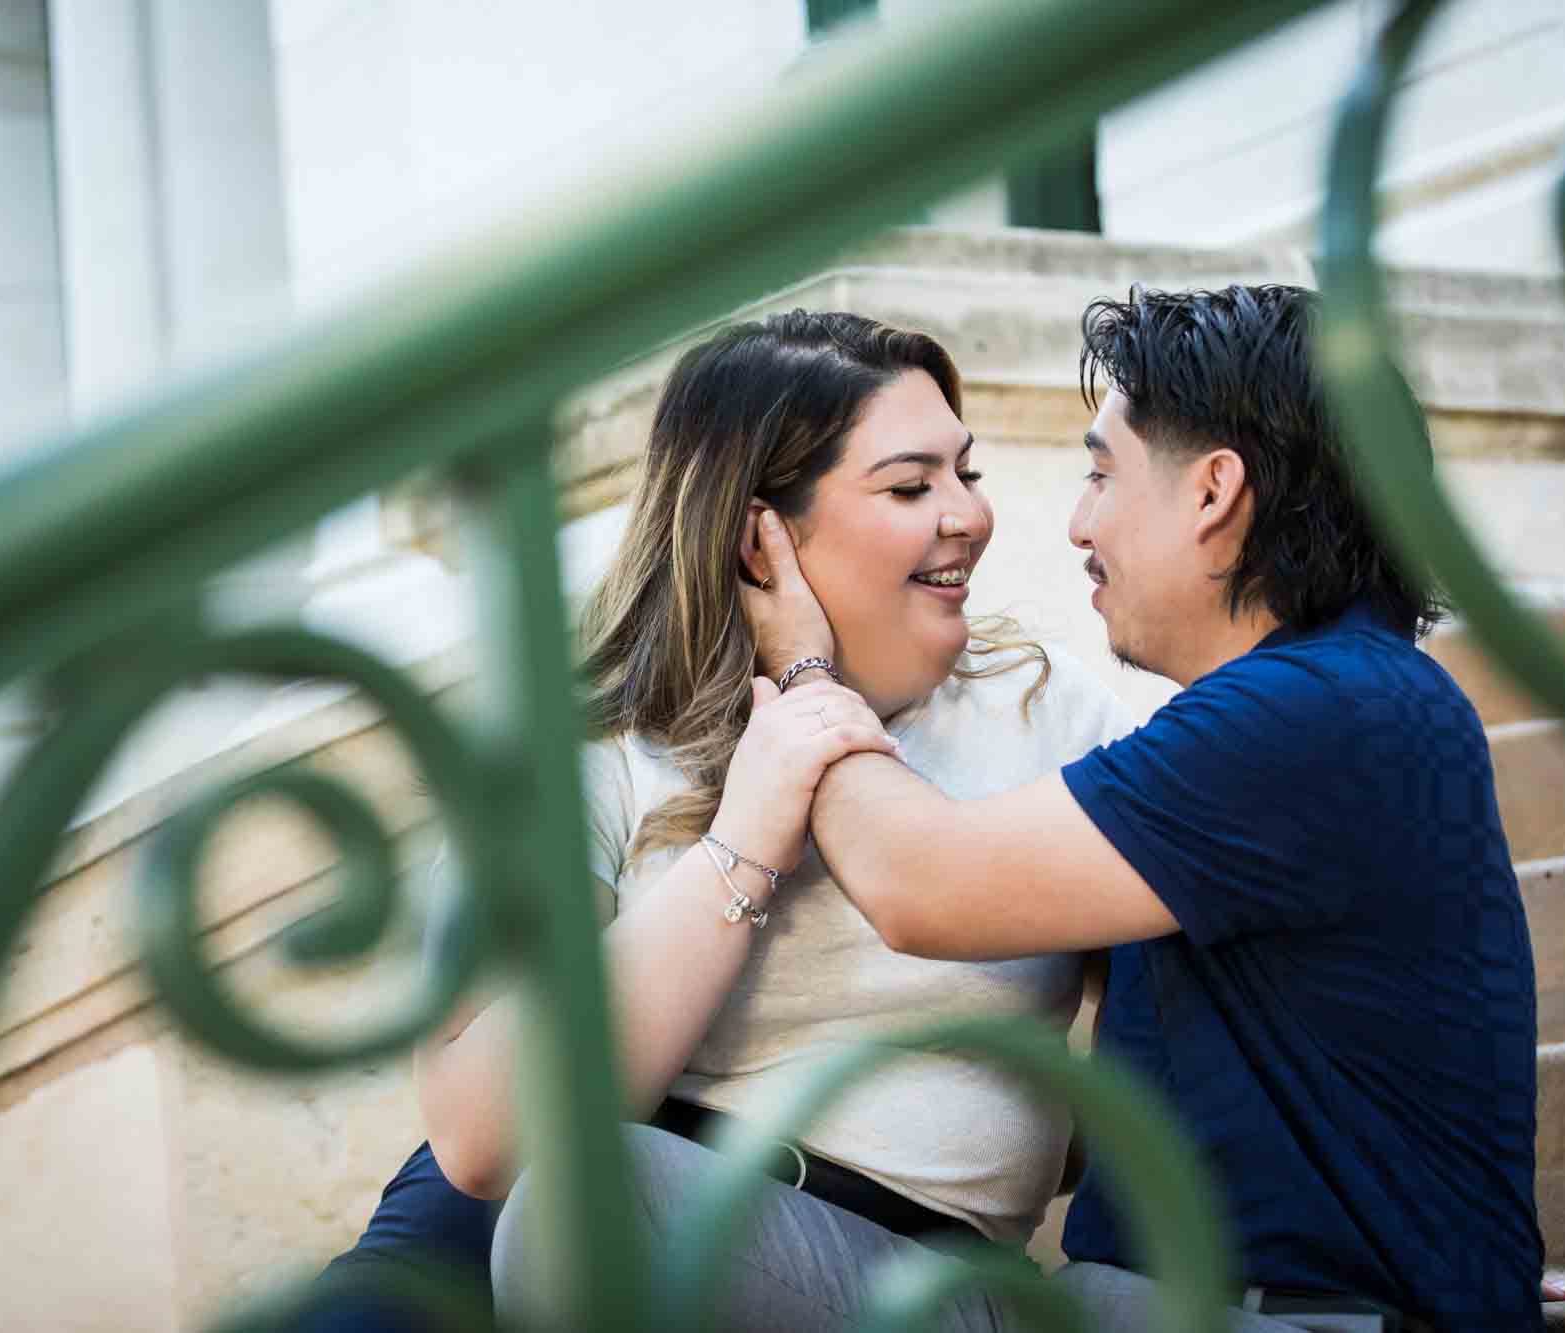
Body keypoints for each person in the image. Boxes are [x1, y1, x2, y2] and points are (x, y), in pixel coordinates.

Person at [305, 308, 1147, 1331]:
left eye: (964, 473)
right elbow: (480, 1135)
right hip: (606, 1216)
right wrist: (742, 842)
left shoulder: (1045, 707)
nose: (968, 515)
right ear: (760, 536)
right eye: (910, 486)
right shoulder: (587, 743)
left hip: (909, 1276)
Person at [737, 284, 1545, 1332]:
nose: (1075, 522)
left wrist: (801, 664)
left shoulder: (1323, 710)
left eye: (1099, 472)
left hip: (1282, 1320)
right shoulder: (1305, 711)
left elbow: (917, 883)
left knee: (609, 1201)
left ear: (1213, 491)